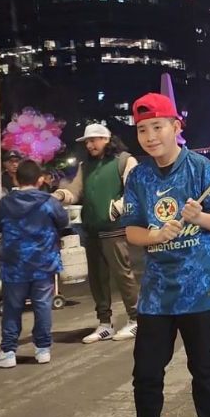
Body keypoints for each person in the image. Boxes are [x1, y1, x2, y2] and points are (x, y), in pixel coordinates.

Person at [110, 92, 210, 417]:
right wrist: (154, 234)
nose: (149, 137)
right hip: (157, 293)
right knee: (146, 373)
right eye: (142, 130)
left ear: (176, 128)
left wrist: (203, 217)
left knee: (205, 369)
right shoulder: (140, 177)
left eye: (157, 127)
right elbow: (130, 230)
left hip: (200, 288)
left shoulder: (200, 168)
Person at [53, 122, 141, 343]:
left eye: (93, 140)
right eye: (87, 142)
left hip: (115, 228)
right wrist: (62, 195)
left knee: (123, 275)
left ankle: (136, 320)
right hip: (92, 228)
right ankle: (104, 324)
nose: (90, 145)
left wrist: (117, 208)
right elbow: (76, 191)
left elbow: (135, 190)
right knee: (97, 278)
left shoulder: (124, 160)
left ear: (106, 139)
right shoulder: (86, 165)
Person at [0, 159, 70, 367]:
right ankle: (42, 349)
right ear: (40, 179)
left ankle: (8, 352)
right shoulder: (49, 202)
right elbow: (63, 222)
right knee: (42, 305)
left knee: (12, 308)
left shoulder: (5, 203)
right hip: (44, 262)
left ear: (16, 178)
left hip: (14, 264)